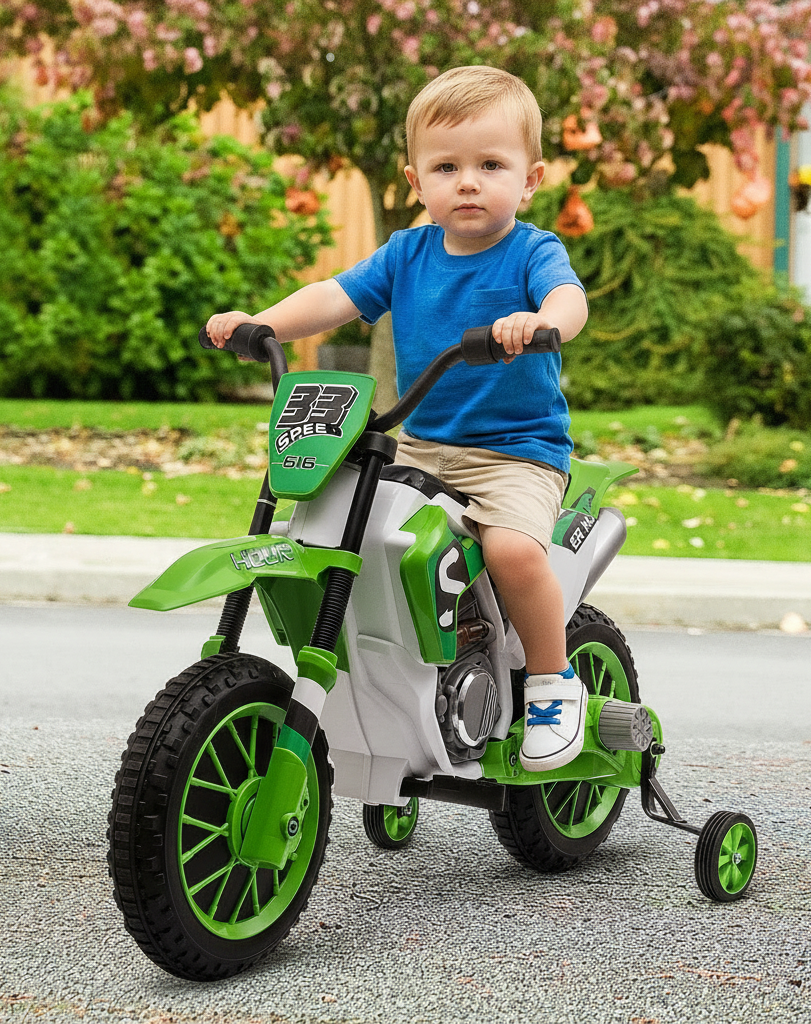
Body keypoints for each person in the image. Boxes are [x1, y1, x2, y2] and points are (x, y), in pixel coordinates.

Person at [206, 66, 590, 772]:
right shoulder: (407, 254)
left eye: (490, 165)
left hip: (516, 453)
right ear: (417, 183)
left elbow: (571, 299)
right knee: (346, 530)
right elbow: (333, 296)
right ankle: (394, 683)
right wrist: (263, 324)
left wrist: (540, 323)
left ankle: (550, 681)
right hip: (420, 442)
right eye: (447, 166)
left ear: (530, 180)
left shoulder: (532, 251)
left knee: (509, 552)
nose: (467, 182)